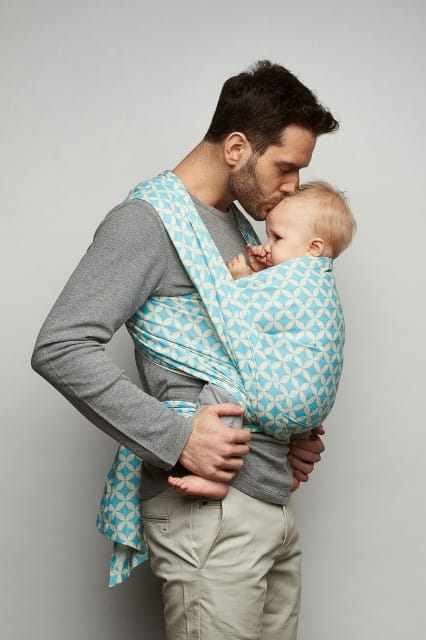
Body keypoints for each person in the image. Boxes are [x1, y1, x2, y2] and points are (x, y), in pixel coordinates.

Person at [32, 61, 339, 640]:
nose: (293, 186)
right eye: (285, 167)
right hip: (209, 514)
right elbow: (61, 346)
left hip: (267, 502)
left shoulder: (241, 229)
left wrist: (291, 429)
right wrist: (178, 439)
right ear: (237, 148)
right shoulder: (146, 223)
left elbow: (256, 349)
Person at [168, 180, 356, 500]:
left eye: (277, 238)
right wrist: (262, 271)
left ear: (313, 248)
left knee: (225, 394)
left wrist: (242, 279)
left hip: (285, 396)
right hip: (310, 401)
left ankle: (214, 475)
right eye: (268, 236)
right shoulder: (320, 284)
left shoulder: (298, 280)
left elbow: (239, 313)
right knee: (283, 424)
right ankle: (292, 469)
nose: (267, 245)